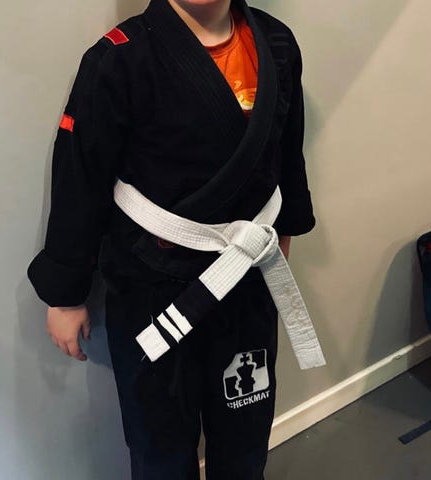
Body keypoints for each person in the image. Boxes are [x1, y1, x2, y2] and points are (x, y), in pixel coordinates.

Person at [27, 0, 326, 478]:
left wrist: (283, 234)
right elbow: (81, 174)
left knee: (246, 429)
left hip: (245, 280)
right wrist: (65, 293)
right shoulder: (118, 58)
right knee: (158, 443)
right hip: (151, 286)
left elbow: (287, 154)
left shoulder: (276, 43)